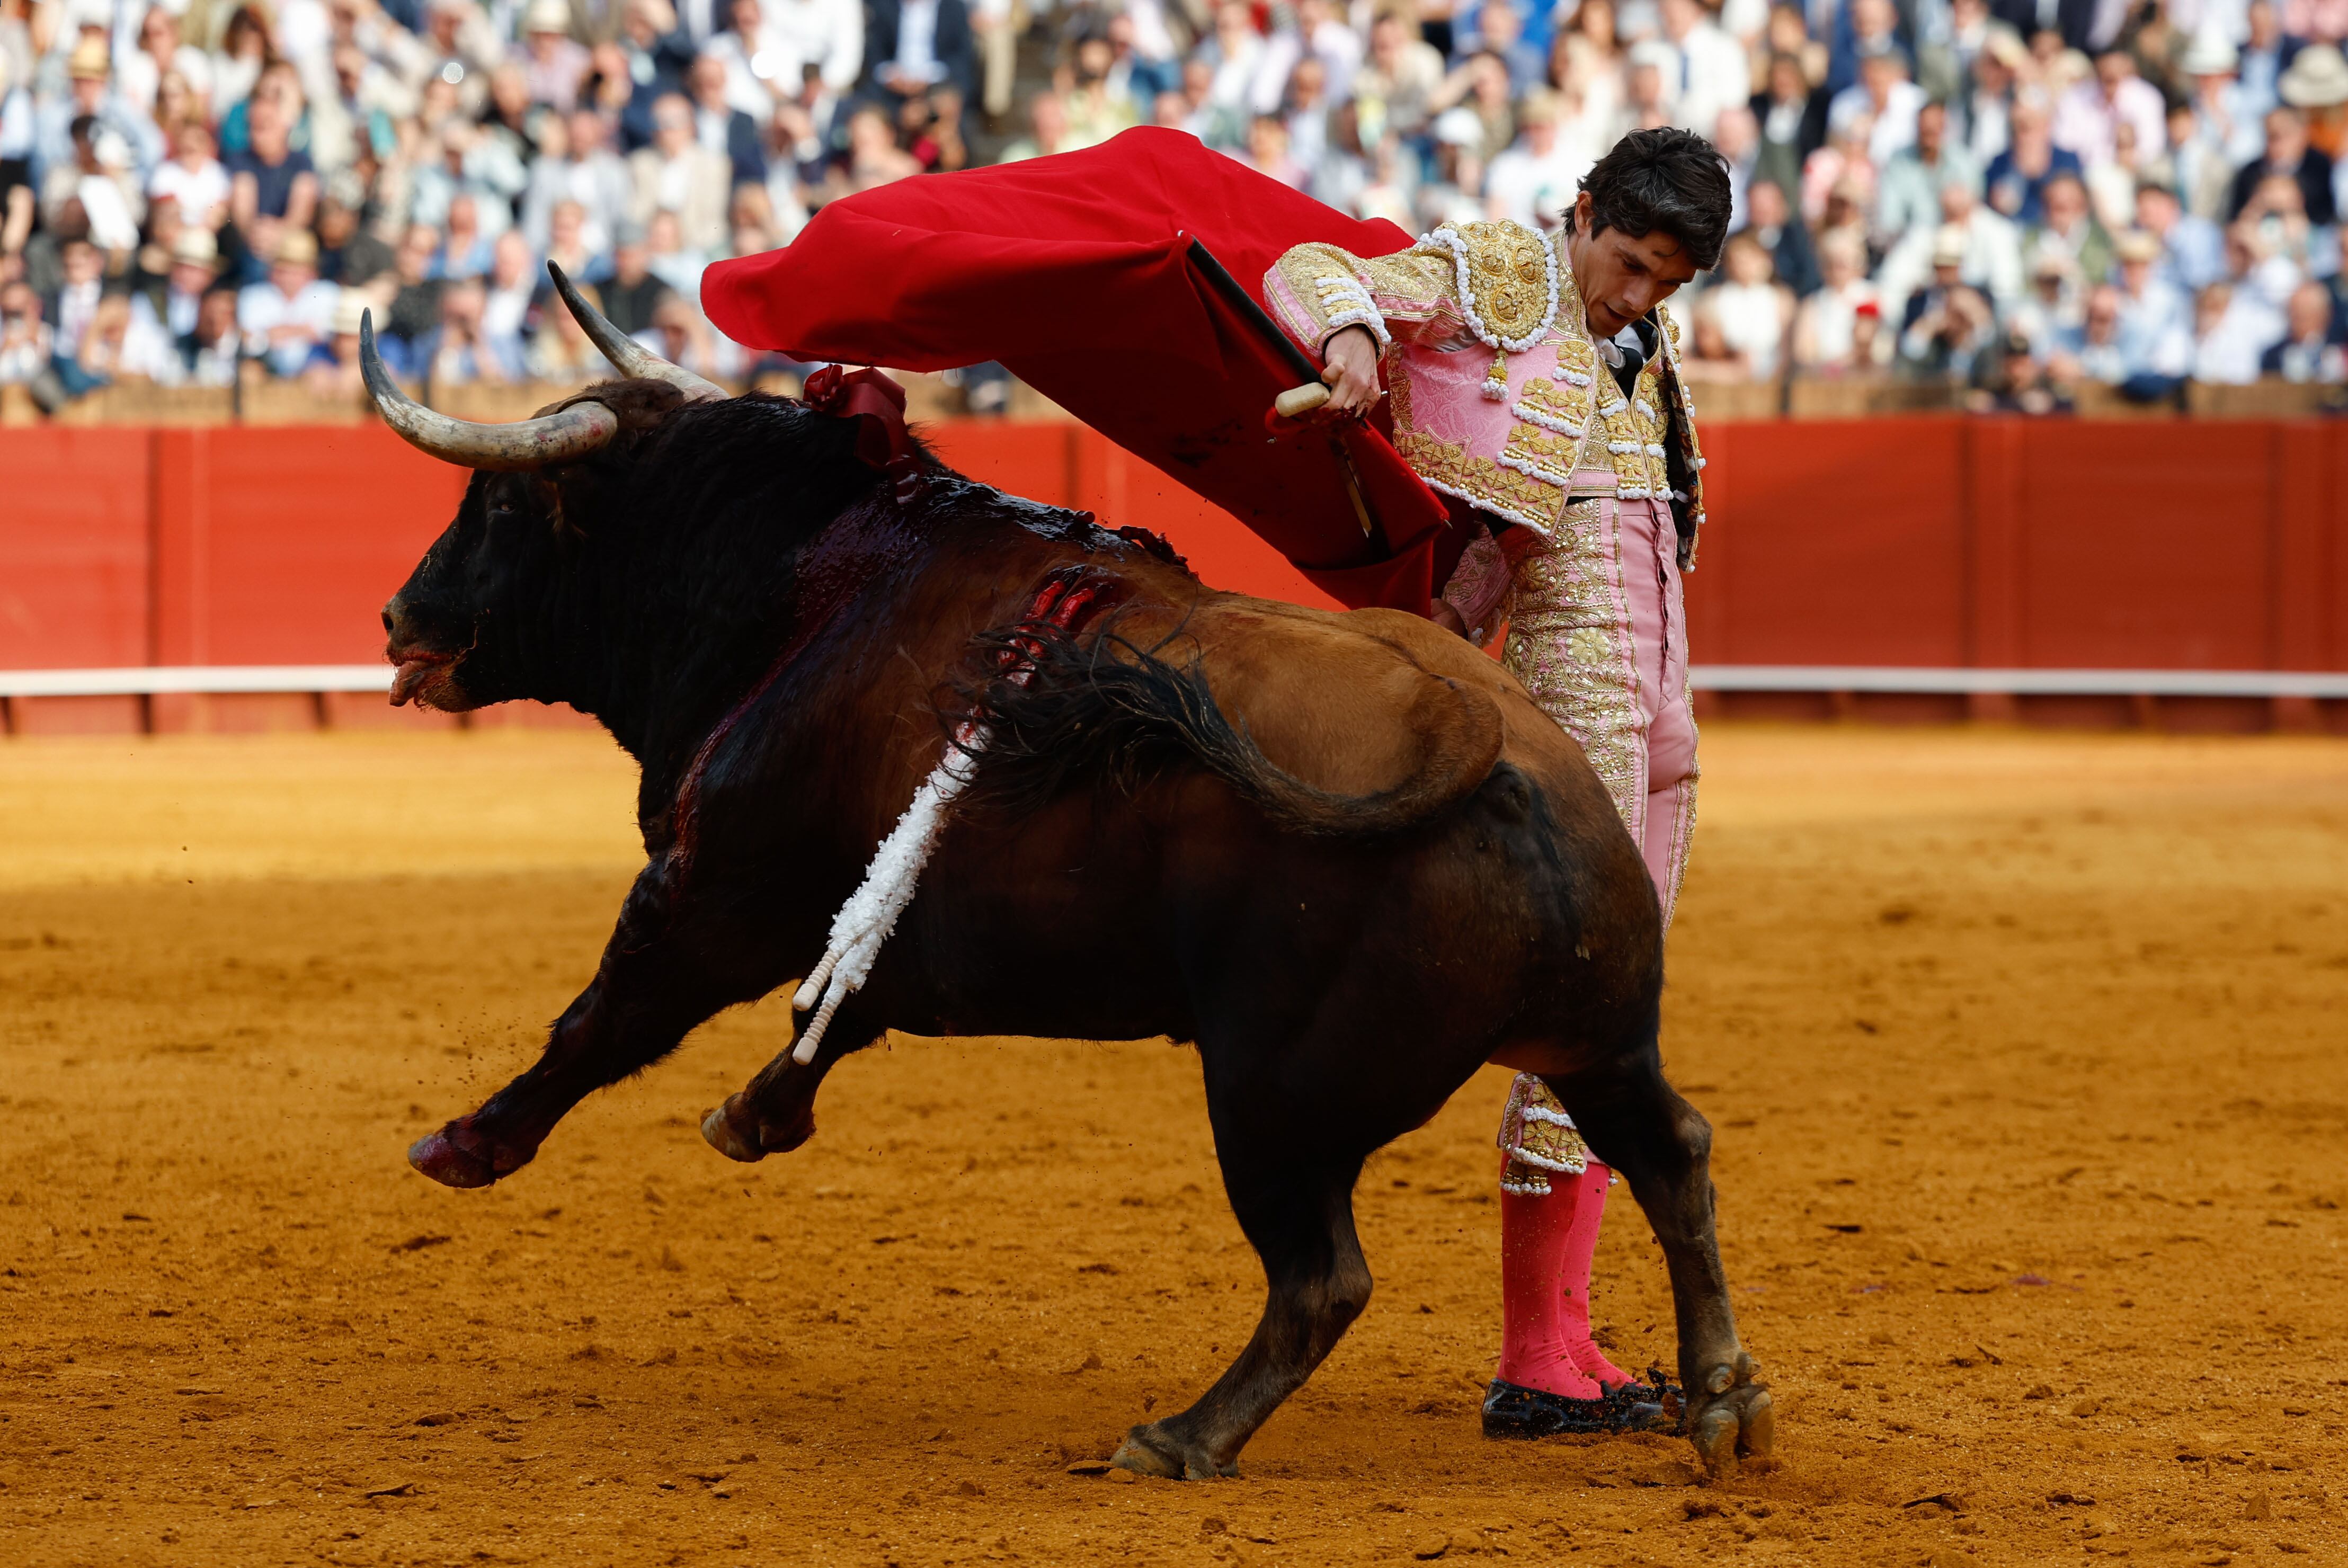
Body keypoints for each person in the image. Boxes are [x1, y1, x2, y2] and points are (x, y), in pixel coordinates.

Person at [1266, 127, 1728, 1440]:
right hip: (1571, 705)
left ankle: (1565, 1338)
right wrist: (1352, 342)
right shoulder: (1501, 272)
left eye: (1664, 283)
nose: (1635, 298)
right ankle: (1536, 1350)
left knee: (1621, 1004)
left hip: (1659, 711)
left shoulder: (1642, 344)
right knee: (1592, 1001)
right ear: (1582, 213)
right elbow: (1310, 266)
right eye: (1629, 264)